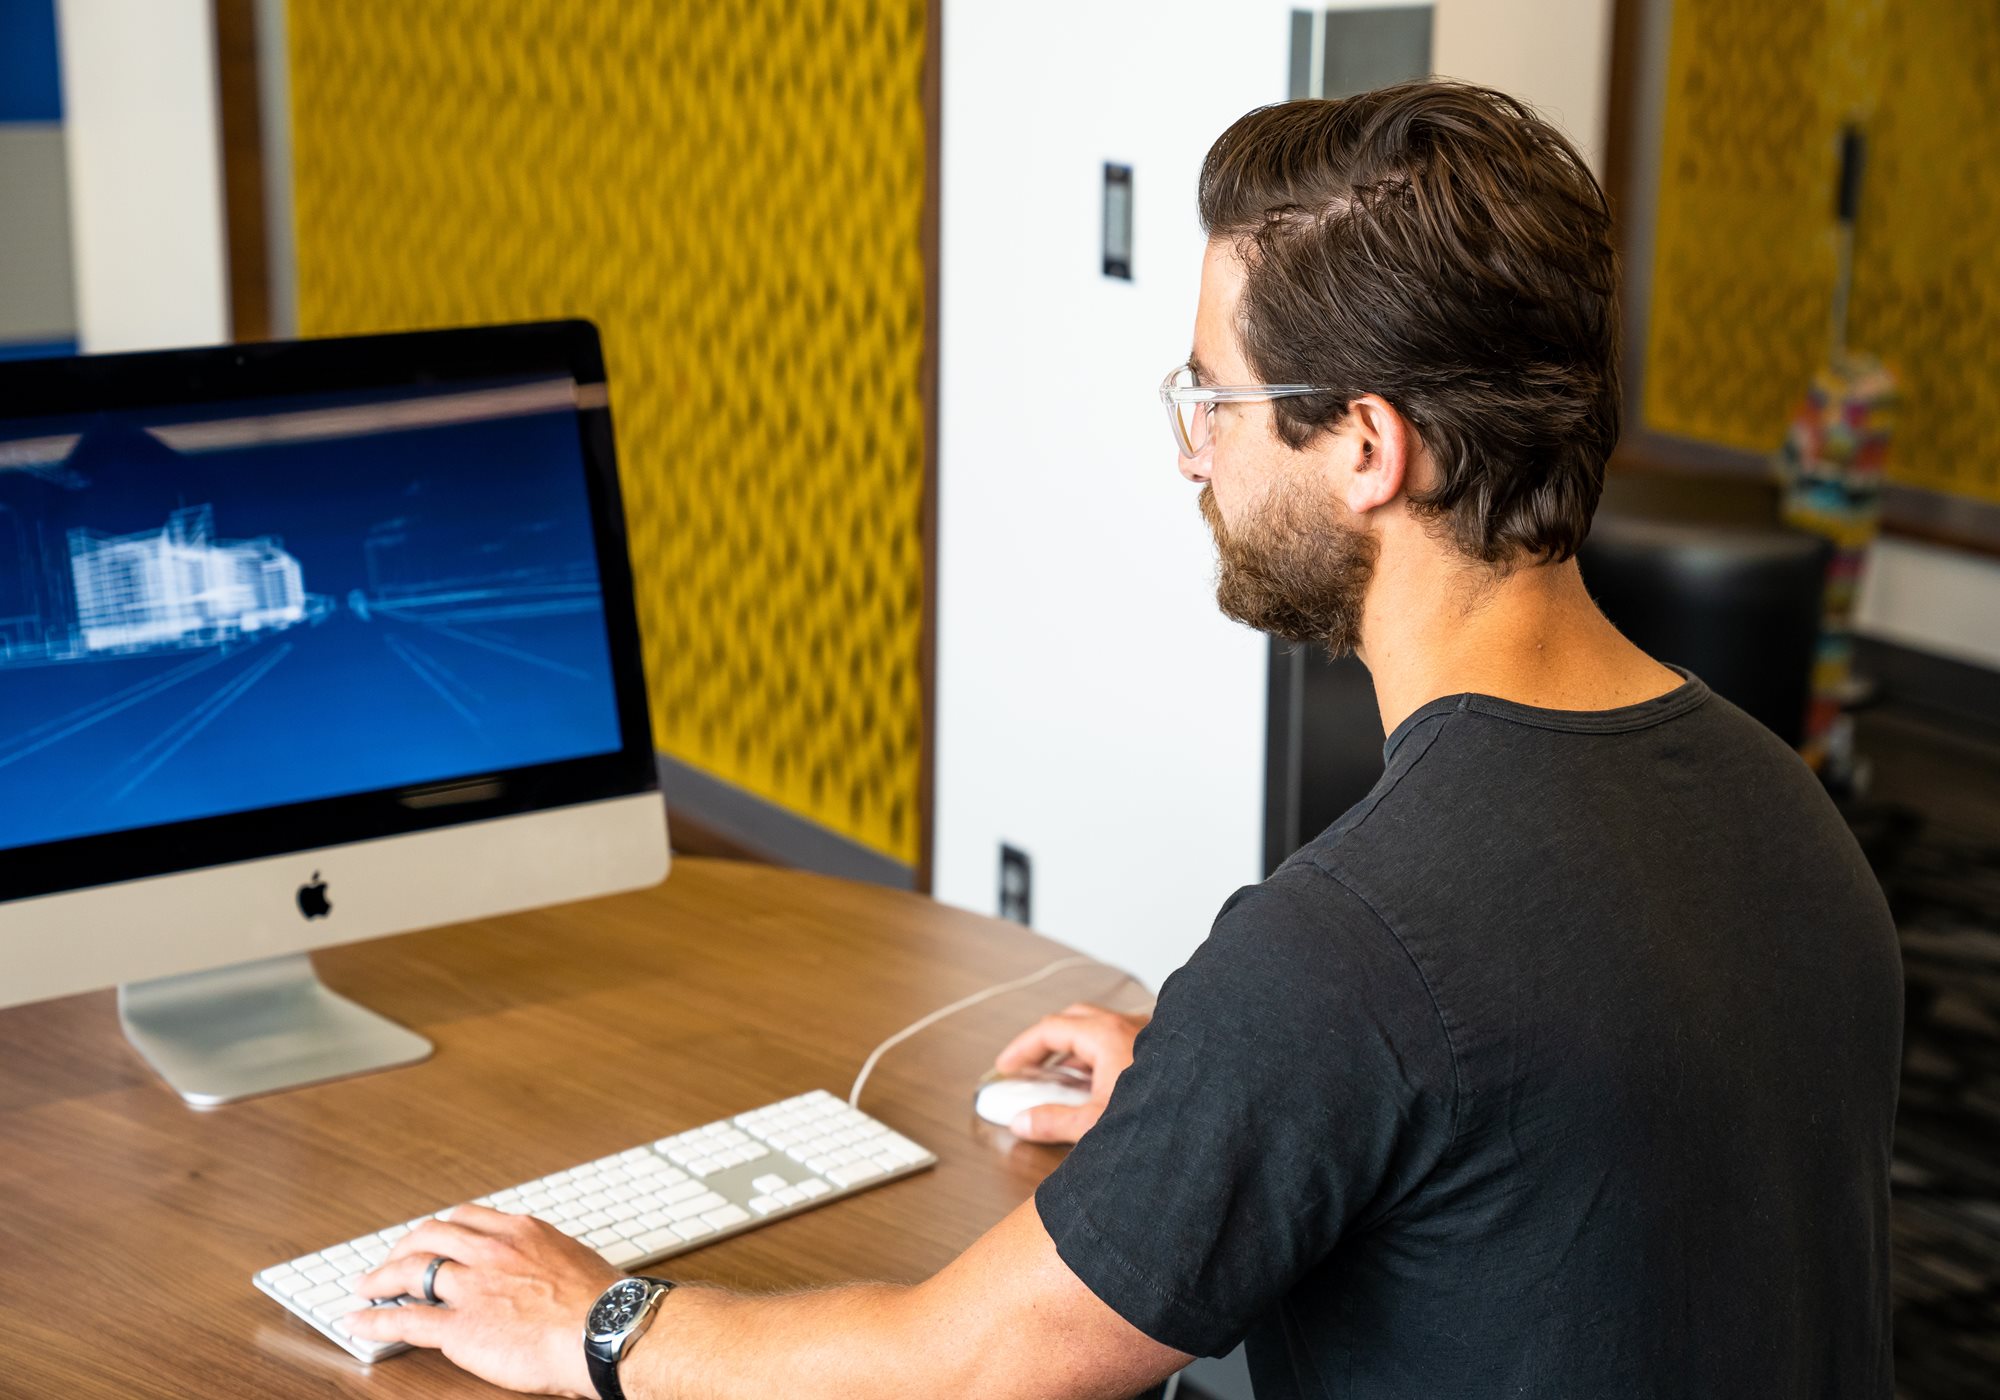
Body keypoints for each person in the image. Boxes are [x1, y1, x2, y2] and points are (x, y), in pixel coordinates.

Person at [350, 79, 1903, 1399]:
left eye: (1215, 401)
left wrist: (591, 1320)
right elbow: (1562, 1147)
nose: (1192, 456)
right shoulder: (1786, 815)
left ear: (1365, 447)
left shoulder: (1344, 953)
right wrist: (1228, 1110)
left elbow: (955, 1369)